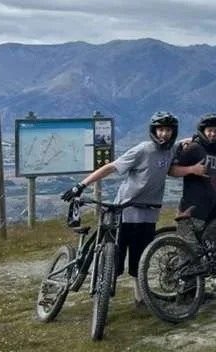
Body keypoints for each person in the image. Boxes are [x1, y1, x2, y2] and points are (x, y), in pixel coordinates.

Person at [61, 111, 206, 304]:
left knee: (141, 258)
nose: (164, 134)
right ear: (154, 131)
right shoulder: (143, 150)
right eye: (161, 129)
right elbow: (111, 167)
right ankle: (102, 298)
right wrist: (81, 185)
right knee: (115, 259)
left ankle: (140, 298)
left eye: (168, 130)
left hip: (149, 212)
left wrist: (191, 167)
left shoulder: (170, 150)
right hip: (126, 211)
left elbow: (169, 168)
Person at [172, 113, 216, 267]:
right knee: (190, 253)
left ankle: (200, 287)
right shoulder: (194, 148)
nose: (213, 134)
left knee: (207, 251)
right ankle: (187, 290)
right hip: (191, 209)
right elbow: (172, 169)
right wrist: (191, 169)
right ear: (203, 131)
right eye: (209, 130)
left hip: (209, 210)